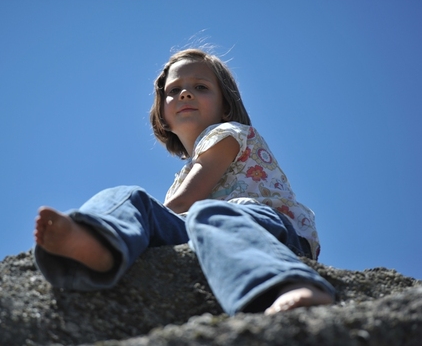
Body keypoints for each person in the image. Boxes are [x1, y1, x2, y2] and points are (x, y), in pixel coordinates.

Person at [33, 48, 335, 315]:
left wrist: (156, 224)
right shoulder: (180, 177)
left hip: (268, 229)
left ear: (225, 106)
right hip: (205, 230)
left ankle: (293, 283)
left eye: (200, 87)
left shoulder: (230, 133)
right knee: (129, 196)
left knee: (209, 213)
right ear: (162, 115)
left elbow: (186, 201)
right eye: (174, 90)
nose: (185, 94)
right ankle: (99, 241)